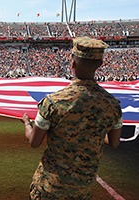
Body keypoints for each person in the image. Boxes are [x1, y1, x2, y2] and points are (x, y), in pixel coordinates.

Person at [21, 36, 123, 199]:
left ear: (72, 63)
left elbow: (34, 142)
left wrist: (27, 124)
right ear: (100, 64)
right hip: (82, 191)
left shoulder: (53, 102)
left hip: (49, 189)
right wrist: (91, 132)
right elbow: (114, 142)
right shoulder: (113, 106)